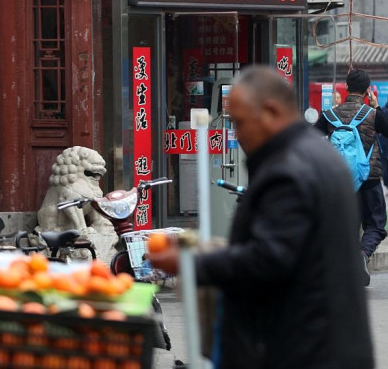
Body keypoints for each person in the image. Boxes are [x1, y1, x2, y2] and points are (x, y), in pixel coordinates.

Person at [150, 66, 374, 369]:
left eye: (241, 123)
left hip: (303, 349)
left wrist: (189, 263)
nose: (238, 135)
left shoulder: (289, 169)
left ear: (270, 111)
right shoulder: (318, 157)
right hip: (328, 342)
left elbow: (270, 259)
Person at [316, 68, 388, 284]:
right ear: (367, 91)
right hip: (368, 178)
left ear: (347, 87)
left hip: (340, 180)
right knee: (376, 225)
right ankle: (362, 255)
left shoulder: (331, 115)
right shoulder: (373, 114)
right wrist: (377, 104)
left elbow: (312, 136)